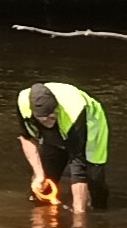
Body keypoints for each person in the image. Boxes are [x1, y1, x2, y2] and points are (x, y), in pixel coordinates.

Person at [17, 80, 108, 213]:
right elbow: (26, 137)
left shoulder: (73, 110)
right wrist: (39, 174)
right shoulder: (23, 103)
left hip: (89, 126)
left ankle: (99, 211)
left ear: (57, 108)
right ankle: (43, 219)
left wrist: (79, 217)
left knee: (94, 180)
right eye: (45, 120)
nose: (49, 122)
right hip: (57, 130)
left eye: (52, 117)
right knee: (44, 184)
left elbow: (78, 163)